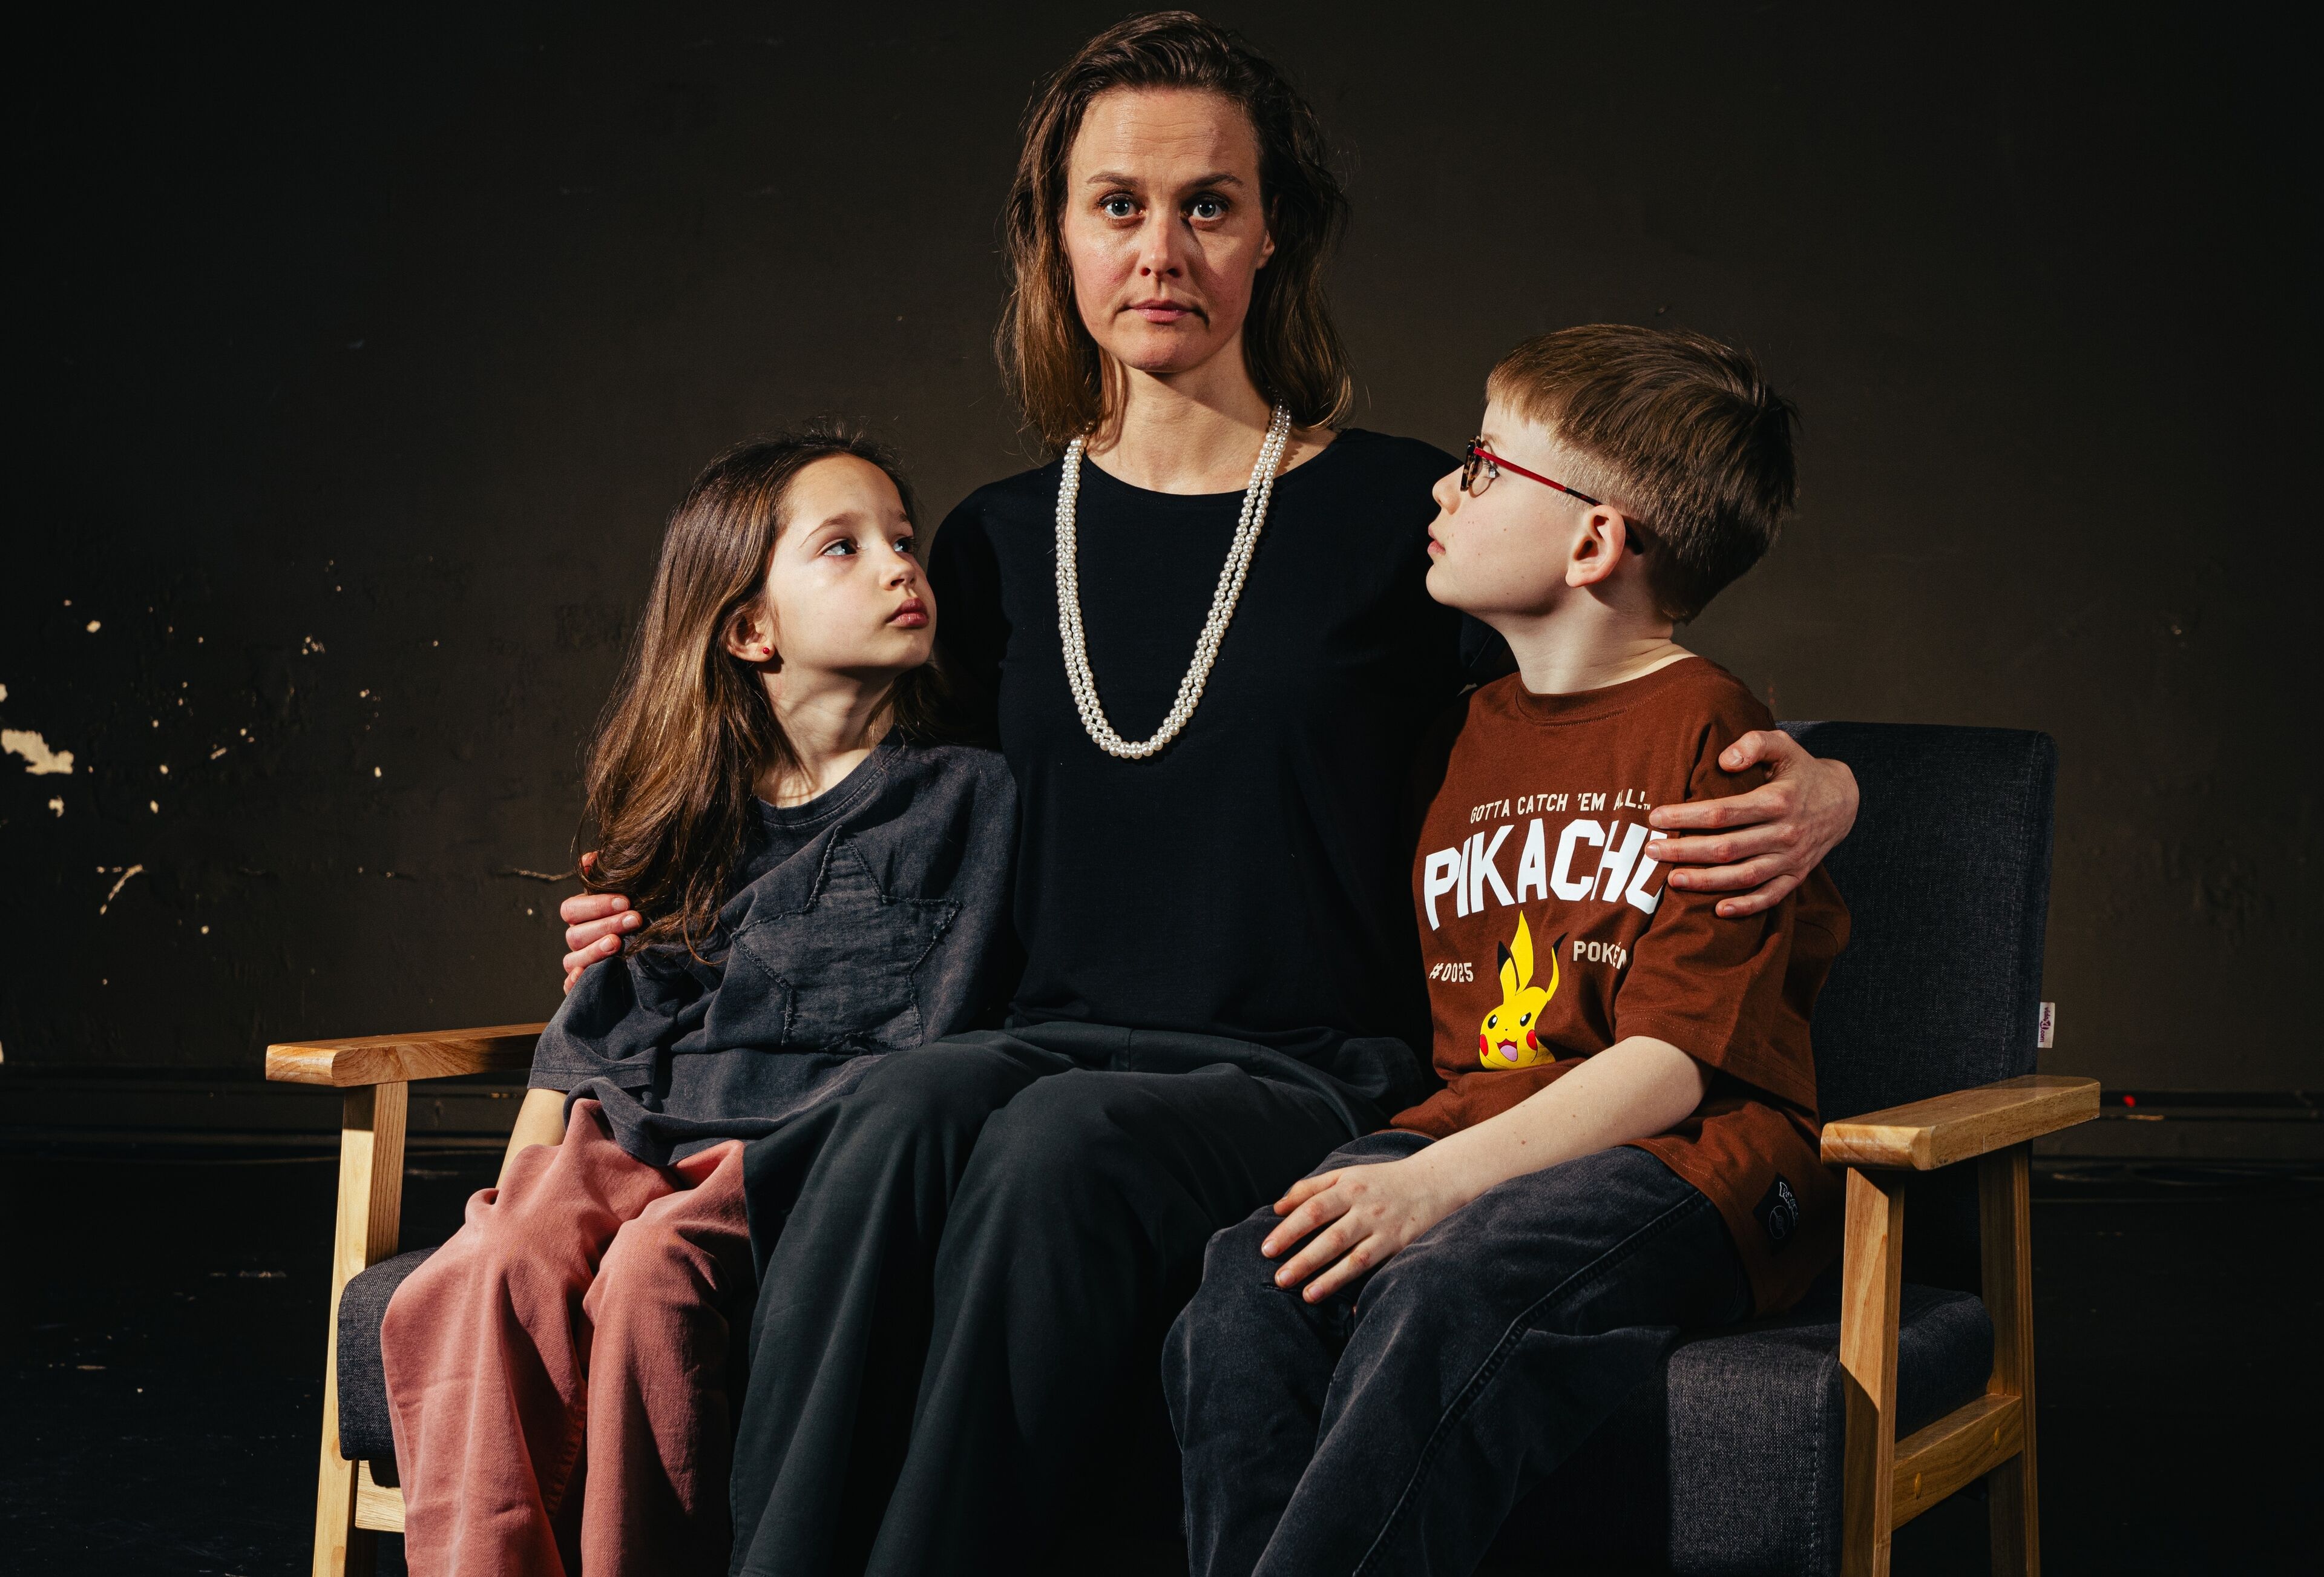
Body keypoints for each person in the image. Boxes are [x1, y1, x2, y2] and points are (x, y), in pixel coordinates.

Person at [554, 16, 1862, 1575]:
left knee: (1054, 1150)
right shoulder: (985, 547)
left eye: (1209, 206)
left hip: (1302, 1069)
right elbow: (839, 786)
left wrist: (1835, 786)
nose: (1160, 250)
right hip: (1035, 1037)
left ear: (1270, 235)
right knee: (896, 1114)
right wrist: (670, 908)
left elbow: (1611, 689)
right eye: (1116, 204)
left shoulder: (1401, 515)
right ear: (1056, 237)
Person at [1164, 323, 1850, 1576]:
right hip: (1478, 1122)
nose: (1445, 486)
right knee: (1245, 1285)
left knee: (1449, 1284)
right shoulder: (1461, 731)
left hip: (1688, 1160)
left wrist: (1436, 1185)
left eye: (1483, 467)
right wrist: (1427, 1168)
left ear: (1594, 542)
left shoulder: (1718, 741)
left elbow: (1675, 1062)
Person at [379, 429, 1017, 1577]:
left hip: (799, 1153)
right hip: (639, 1131)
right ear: (750, 629)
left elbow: (966, 1018)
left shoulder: (968, 794)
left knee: (651, 1273)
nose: (900, 567)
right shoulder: (693, 811)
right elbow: (591, 1039)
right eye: (844, 546)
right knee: (487, 1262)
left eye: (902, 539)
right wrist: (517, 1195)